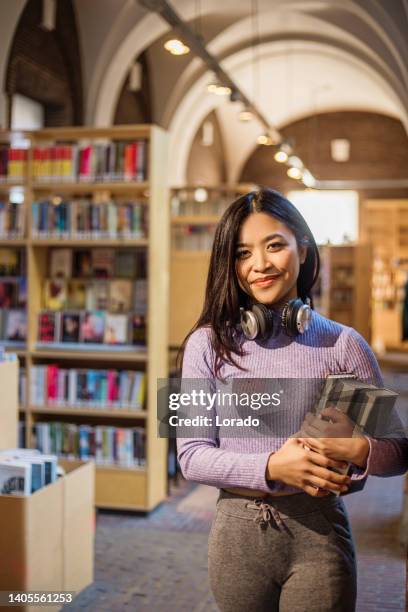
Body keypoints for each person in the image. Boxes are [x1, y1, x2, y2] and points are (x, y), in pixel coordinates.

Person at [177, 188, 408, 612]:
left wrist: (358, 450)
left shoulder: (343, 344)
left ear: (302, 248)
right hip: (236, 537)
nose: (259, 265)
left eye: (274, 245)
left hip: (319, 535)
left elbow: (398, 452)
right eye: (243, 253)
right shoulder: (206, 345)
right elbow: (191, 456)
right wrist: (270, 467)